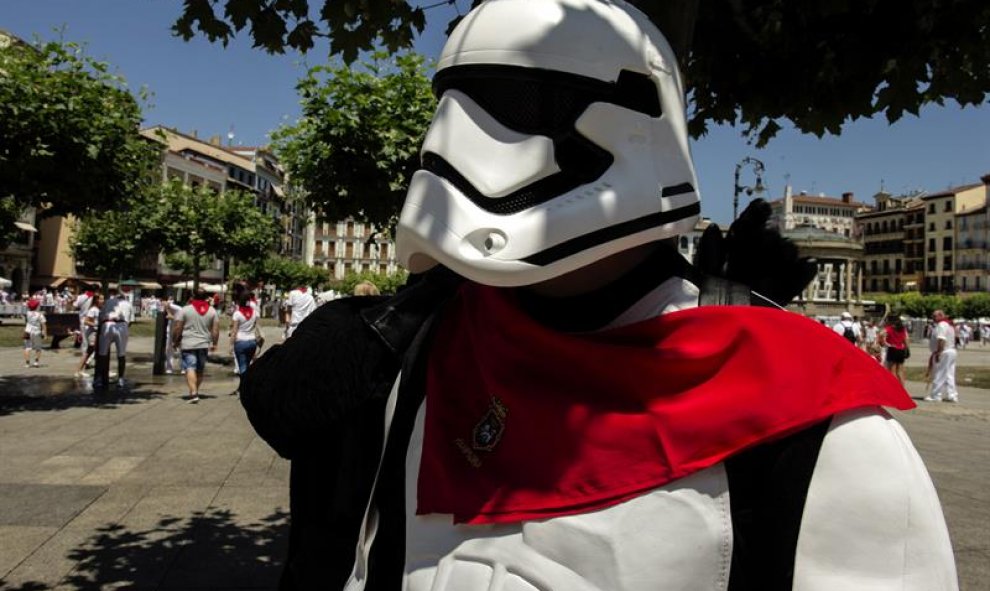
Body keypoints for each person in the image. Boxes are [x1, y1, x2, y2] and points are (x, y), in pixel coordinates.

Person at [239, 1, 956, 589]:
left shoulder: (820, 423)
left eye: (518, 102)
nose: (456, 141)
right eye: (451, 102)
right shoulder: (414, 359)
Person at [172, 288, 220, 404]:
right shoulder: (212, 311)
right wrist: (214, 343)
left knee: (190, 367)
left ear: (193, 296)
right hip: (203, 344)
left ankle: (193, 393)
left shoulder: (185, 310)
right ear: (206, 297)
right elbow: (215, 329)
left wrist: (175, 341)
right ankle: (194, 390)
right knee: (199, 369)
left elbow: (178, 327)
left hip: (188, 343)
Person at [96, 287, 134, 388]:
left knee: (102, 354)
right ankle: (120, 379)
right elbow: (130, 320)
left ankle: (100, 378)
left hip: (107, 324)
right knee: (121, 354)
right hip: (122, 325)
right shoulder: (128, 304)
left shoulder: (108, 302)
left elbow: (100, 316)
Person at [925, 309, 959, 403]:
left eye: (934, 316)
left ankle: (936, 395)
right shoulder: (949, 324)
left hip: (944, 351)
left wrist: (939, 352)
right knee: (949, 374)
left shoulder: (942, 325)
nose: (933, 318)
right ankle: (952, 395)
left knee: (939, 373)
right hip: (950, 350)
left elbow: (941, 339)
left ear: (940, 316)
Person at [229, 291, 260, 393]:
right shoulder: (255, 313)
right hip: (252, 341)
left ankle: (244, 388)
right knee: (247, 364)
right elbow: (256, 327)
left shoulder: (237, 314)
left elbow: (234, 330)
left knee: (242, 366)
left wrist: (231, 344)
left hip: (240, 341)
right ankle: (242, 387)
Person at [75, 293, 103, 377]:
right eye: (101, 299)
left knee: (92, 352)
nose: (103, 301)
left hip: (97, 333)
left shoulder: (99, 309)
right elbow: (86, 321)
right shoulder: (93, 310)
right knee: (91, 352)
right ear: (96, 300)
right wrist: (96, 325)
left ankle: (79, 371)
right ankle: (79, 371)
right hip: (93, 333)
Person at [881, 315, 910, 386]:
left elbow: (881, 333)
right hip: (901, 350)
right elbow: (906, 340)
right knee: (900, 371)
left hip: (893, 349)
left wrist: (886, 342)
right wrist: (907, 349)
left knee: (892, 370)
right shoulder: (902, 329)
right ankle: (902, 387)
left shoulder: (889, 328)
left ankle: (894, 387)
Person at [23, 298, 46, 368]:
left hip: (28, 331)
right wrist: (44, 333)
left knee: (27, 347)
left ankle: (27, 363)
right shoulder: (40, 315)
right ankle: (36, 362)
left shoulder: (27, 313)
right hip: (36, 332)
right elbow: (43, 325)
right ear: (37, 306)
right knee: (38, 347)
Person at [163, 295, 183, 374]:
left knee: (182, 348)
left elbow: (167, 304)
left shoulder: (178, 309)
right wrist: (168, 312)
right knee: (169, 348)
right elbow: (165, 303)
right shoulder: (169, 307)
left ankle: (183, 367)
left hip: (180, 330)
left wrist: (171, 316)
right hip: (171, 331)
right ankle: (169, 367)